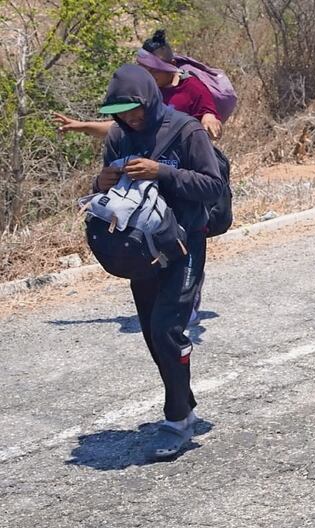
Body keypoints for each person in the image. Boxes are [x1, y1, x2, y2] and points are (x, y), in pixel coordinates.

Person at [94, 64, 224, 459]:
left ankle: (176, 420)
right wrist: (100, 183)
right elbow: (108, 194)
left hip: (185, 244)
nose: (130, 118)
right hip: (141, 251)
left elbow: (213, 185)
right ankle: (182, 400)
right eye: (121, 111)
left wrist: (162, 171)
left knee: (168, 328)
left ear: (150, 100)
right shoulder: (118, 137)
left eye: (135, 109)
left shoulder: (186, 130)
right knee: (153, 332)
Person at [53, 30, 222, 141]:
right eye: (144, 70)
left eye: (154, 71)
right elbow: (121, 128)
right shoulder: (143, 91)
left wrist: (208, 119)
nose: (148, 76)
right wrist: (81, 126)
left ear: (171, 65)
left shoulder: (192, 87)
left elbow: (209, 116)